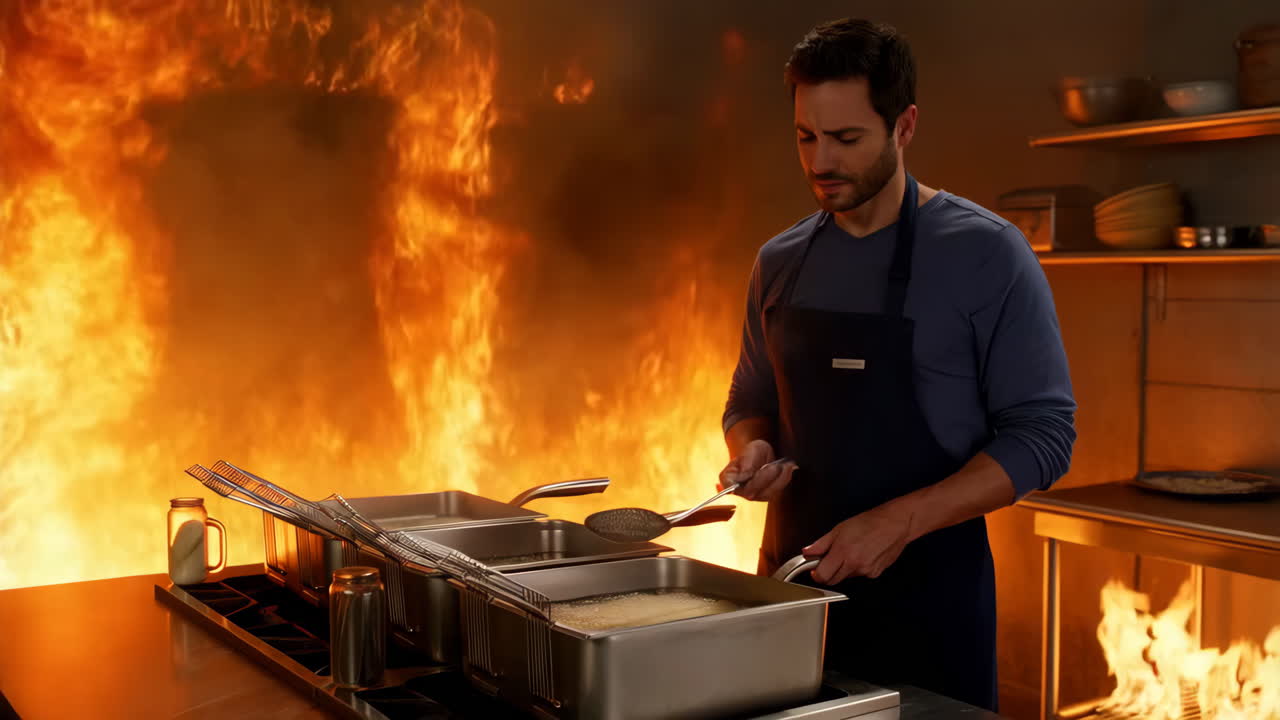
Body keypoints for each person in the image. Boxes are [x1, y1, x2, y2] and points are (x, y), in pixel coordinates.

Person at [719, 18, 1076, 712]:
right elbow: (749, 396)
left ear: (904, 126)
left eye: (846, 139)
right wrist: (751, 448)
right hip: (794, 608)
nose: (821, 161)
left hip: (931, 618)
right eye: (806, 137)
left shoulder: (987, 255)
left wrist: (899, 522)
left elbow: (1043, 435)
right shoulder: (780, 262)